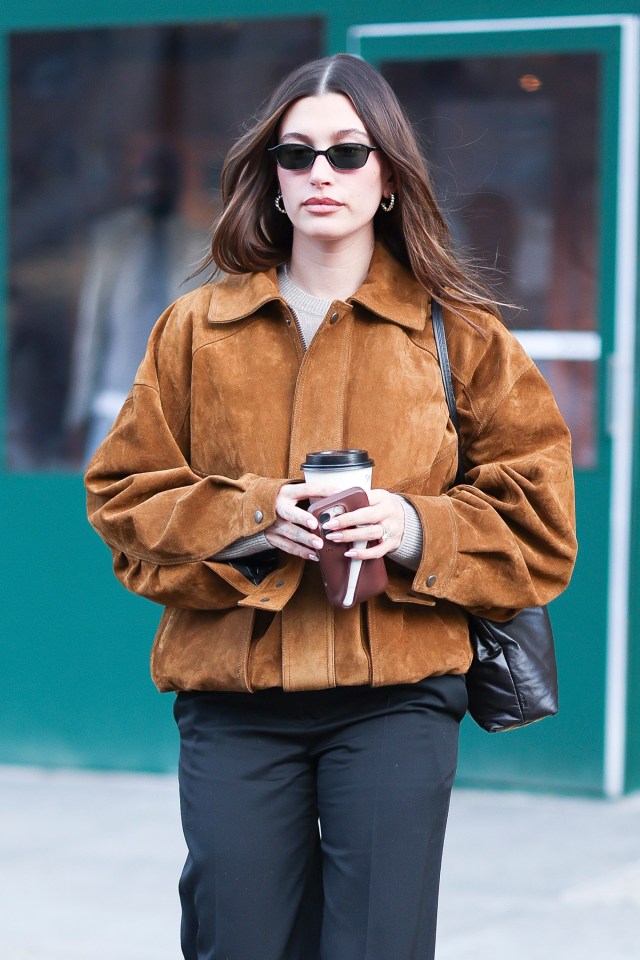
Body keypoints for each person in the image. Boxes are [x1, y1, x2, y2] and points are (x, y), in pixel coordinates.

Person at [85, 54, 577, 960]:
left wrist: (412, 524)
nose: (322, 173)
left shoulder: (460, 332)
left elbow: (541, 525)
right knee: (236, 942)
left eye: (349, 154)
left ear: (388, 176)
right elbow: (123, 495)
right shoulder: (197, 328)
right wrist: (257, 516)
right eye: (298, 152)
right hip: (234, 696)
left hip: (396, 698)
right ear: (270, 175)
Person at [66, 143, 208, 465]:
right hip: (113, 397)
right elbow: (93, 325)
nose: (156, 184)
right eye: (148, 175)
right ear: (135, 180)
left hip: (177, 400)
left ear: (179, 182)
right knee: (101, 503)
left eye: (165, 176)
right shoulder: (111, 239)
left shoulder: (202, 243)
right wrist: (79, 411)